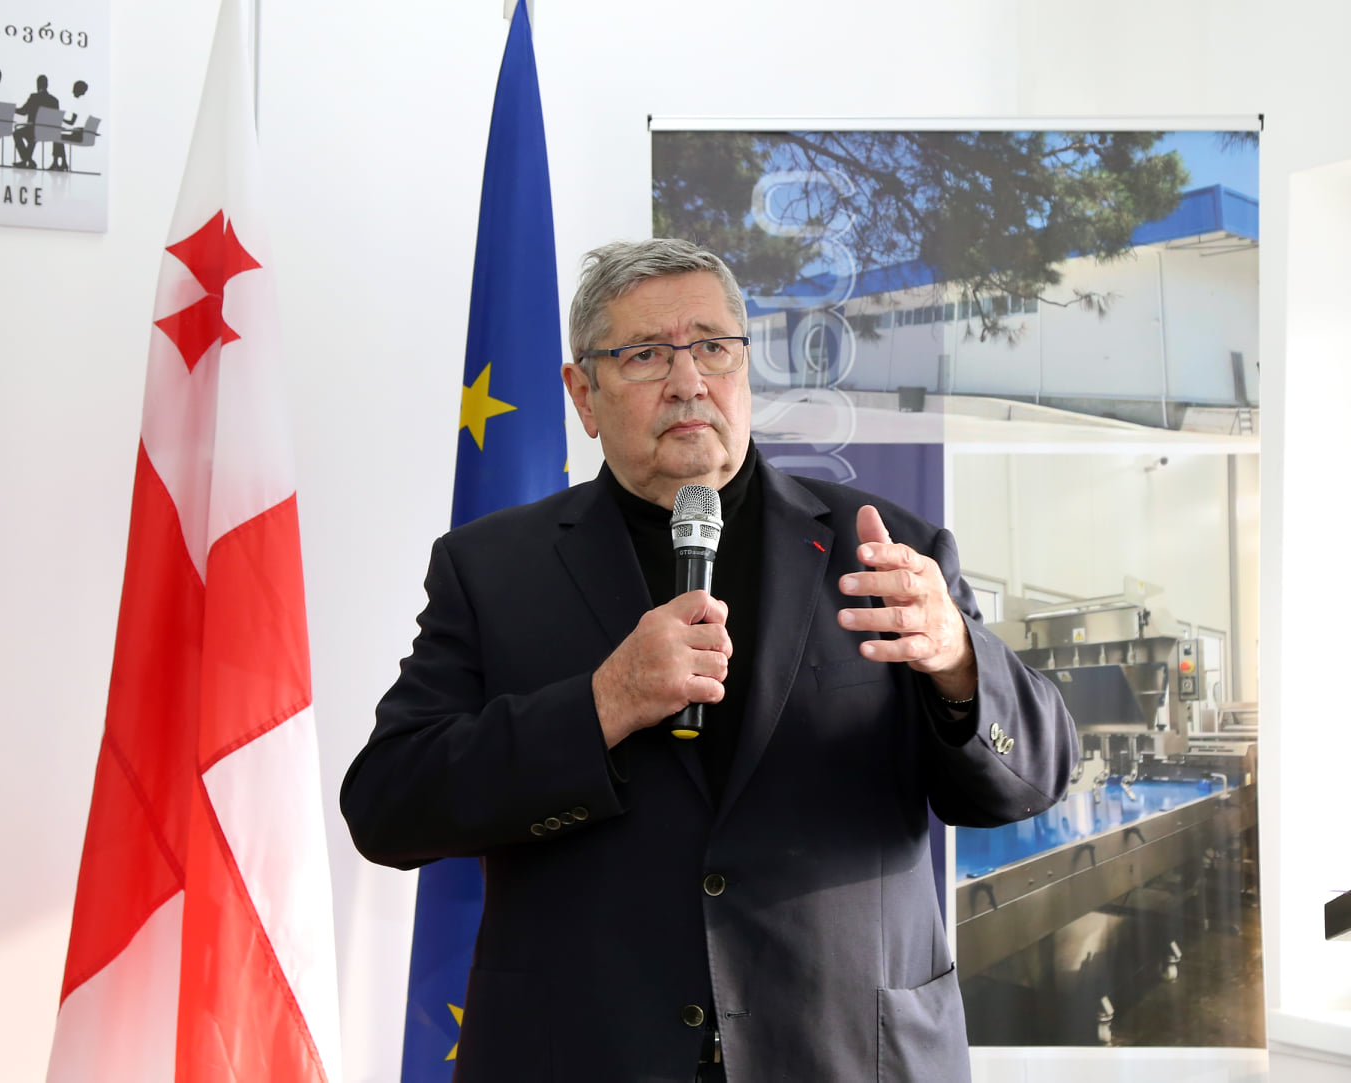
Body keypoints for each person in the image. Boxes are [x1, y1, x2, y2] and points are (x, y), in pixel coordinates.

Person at [341, 238, 1077, 1082]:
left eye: (713, 348)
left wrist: (956, 660)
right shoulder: (491, 569)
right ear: (583, 393)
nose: (688, 381)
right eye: (644, 355)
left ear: (744, 368)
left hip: (847, 1053)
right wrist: (602, 703)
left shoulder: (883, 547)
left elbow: (1033, 777)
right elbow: (387, 805)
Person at [12, 75, 59, 169]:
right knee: (32, 136)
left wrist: (12, 109)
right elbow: (55, 119)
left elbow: (23, 111)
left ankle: (27, 159)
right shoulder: (54, 100)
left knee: (17, 133)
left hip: (33, 130)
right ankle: (27, 160)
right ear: (47, 85)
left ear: (37, 85)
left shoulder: (34, 97)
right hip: (48, 132)